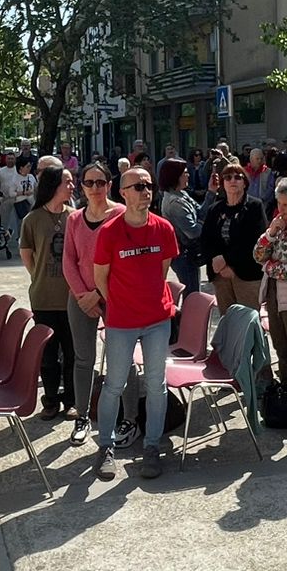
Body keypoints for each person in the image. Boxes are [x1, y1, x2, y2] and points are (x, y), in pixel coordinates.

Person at [91, 166, 181, 481]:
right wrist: (120, 301)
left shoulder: (163, 228)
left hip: (157, 319)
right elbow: (100, 278)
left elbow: (162, 270)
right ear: (123, 193)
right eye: (138, 186)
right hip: (122, 321)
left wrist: (146, 298)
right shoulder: (109, 231)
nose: (146, 191)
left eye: (148, 185)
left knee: (156, 384)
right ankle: (105, 446)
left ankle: (152, 446)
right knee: (114, 384)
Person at [62, 161, 124, 444]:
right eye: (89, 182)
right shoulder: (74, 219)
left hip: (113, 296)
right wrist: (81, 295)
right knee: (83, 359)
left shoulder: (120, 215)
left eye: (100, 182)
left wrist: (97, 295)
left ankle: (122, 416)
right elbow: (69, 261)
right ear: (82, 186)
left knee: (120, 358)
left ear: (109, 185)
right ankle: (83, 415)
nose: (95, 188)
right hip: (80, 298)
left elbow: (123, 263)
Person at [20, 161, 75, 418]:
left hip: (72, 299)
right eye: (67, 182)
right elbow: (27, 255)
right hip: (43, 299)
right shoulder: (32, 219)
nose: (72, 186)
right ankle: (51, 400)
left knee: (73, 354)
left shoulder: (74, 216)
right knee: (48, 355)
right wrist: (40, 276)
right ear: (53, 185)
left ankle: (72, 400)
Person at [254, 176, 287, 402]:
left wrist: (270, 266)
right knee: (280, 344)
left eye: (286, 205)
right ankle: (286, 391)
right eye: (279, 203)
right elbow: (258, 255)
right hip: (273, 293)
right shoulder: (278, 226)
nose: (281, 209)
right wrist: (270, 234)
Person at [197, 160, 267, 312]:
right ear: (223, 183)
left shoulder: (255, 206)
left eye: (238, 177)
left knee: (247, 320)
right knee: (227, 320)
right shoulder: (215, 209)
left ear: (245, 183)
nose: (232, 181)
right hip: (220, 274)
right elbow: (206, 240)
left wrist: (227, 261)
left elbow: (254, 241)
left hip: (247, 274)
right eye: (228, 177)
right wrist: (217, 261)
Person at [155, 158, 203, 311]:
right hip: (183, 254)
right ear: (175, 176)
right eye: (184, 173)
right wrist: (206, 225)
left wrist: (211, 192)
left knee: (194, 291)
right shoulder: (174, 203)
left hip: (188, 253)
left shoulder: (182, 194)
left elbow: (201, 211)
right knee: (192, 294)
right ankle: (189, 323)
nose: (188, 175)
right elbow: (192, 232)